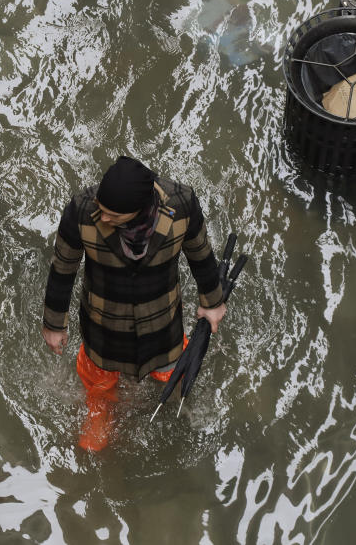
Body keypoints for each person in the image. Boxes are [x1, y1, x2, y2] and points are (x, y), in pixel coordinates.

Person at [41, 156, 226, 451]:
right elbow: (63, 268)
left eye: (112, 215)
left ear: (138, 211)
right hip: (104, 326)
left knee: (172, 370)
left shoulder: (182, 205)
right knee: (98, 378)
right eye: (100, 209)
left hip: (161, 323)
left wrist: (212, 302)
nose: (102, 218)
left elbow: (200, 254)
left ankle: (173, 388)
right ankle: (99, 410)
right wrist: (54, 324)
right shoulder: (81, 211)